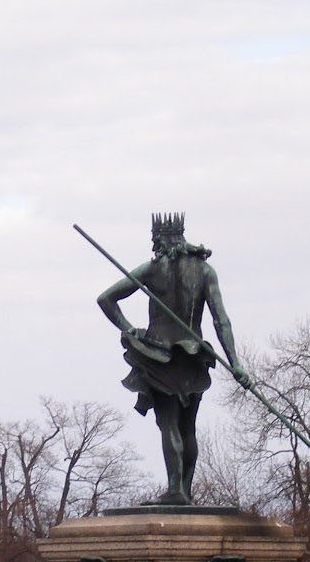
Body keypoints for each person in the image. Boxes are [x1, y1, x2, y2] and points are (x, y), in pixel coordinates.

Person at [96, 213, 245, 505]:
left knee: (169, 424)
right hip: (193, 357)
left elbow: (105, 299)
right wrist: (235, 363)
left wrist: (127, 327)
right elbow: (221, 321)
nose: (154, 246)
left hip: (160, 356)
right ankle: (184, 492)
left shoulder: (154, 269)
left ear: (163, 239)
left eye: (155, 241)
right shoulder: (205, 271)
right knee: (188, 427)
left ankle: (177, 490)